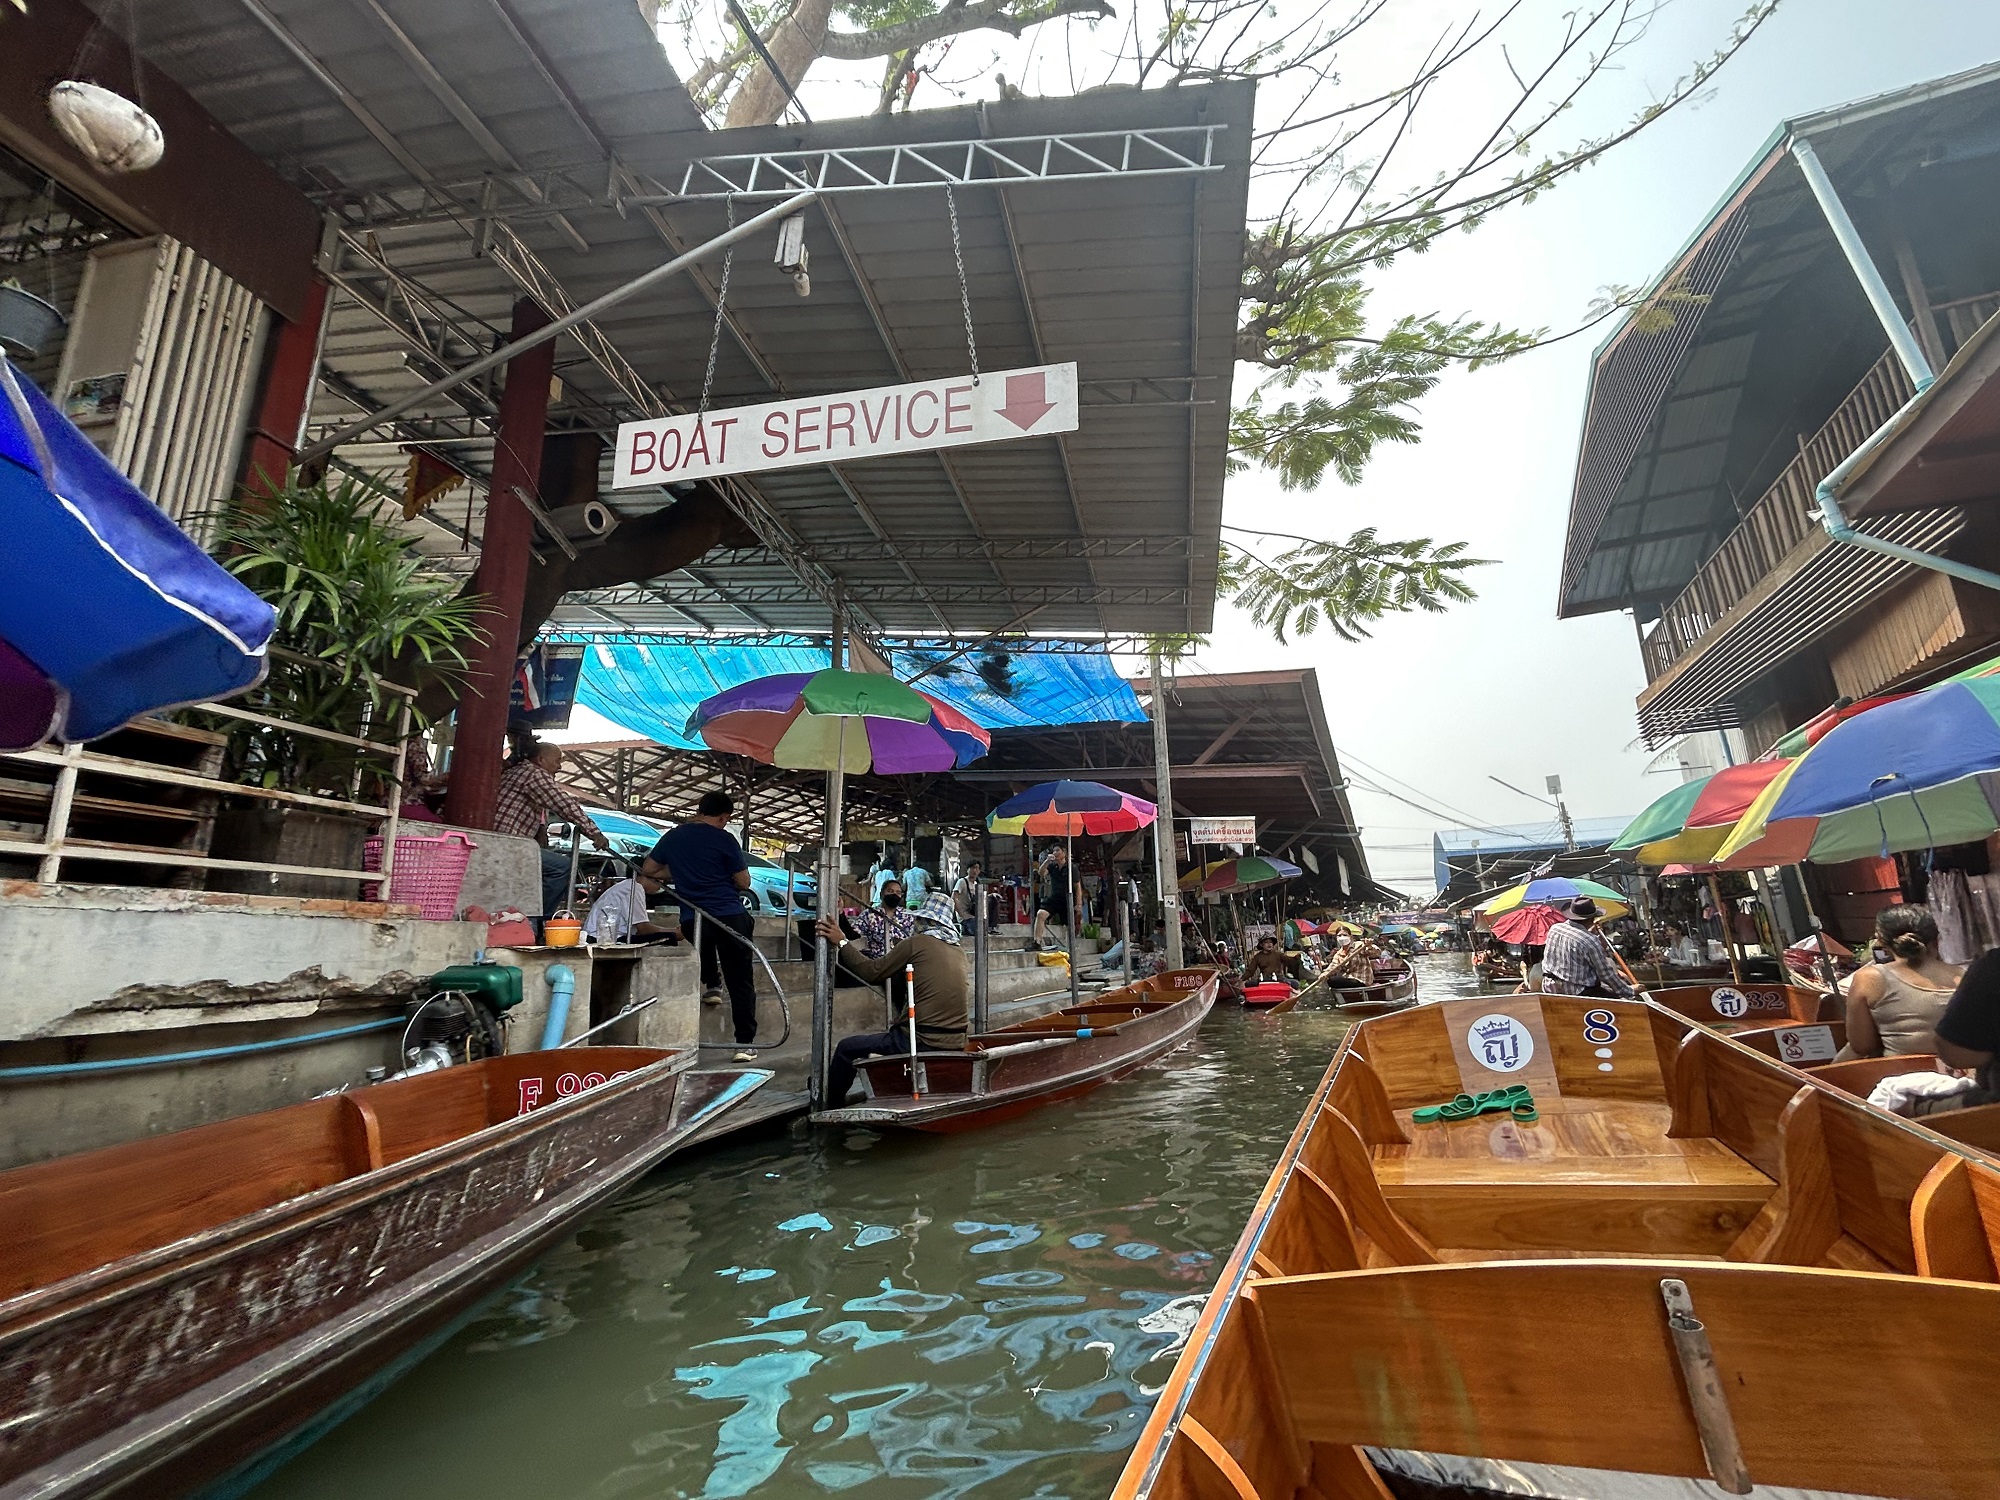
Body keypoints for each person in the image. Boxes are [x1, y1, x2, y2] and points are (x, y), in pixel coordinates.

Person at [815, 893, 970, 1104]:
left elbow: (872, 972)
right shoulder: (959, 952)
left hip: (922, 1040)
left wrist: (842, 941)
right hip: (956, 1039)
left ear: (926, 920)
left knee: (846, 1048)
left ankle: (829, 1104)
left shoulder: (917, 943)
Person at [643, 791, 758, 1062]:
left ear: (700, 810)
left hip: (692, 917)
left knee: (702, 940)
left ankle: (713, 985)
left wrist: (682, 870)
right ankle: (744, 1044)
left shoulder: (673, 837)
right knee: (740, 980)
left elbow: (649, 869)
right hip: (729, 915)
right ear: (724, 817)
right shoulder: (725, 839)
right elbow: (744, 882)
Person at [493, 740, 609, 921]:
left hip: (504, 841)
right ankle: (537, 918)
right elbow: (564, 804)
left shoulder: (518, 772)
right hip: (507, 843)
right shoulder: (534, 774)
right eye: (556, 761)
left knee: (545, 862)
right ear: (541, 760)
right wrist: (594, 832)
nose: (559, 767)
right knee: (562, 867)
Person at [1845, 905, 1963, 1059]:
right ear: (1937, 938)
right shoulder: (1965, 976)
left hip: (1903, 1071)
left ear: (1880, 940)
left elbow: (1862, 1046)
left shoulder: (1870, 978)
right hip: (1964, 1068)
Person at [1540, 897, 1636, 998]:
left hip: (1550, 986)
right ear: (1591, 919)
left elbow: (1576, 939)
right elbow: (1605, 974)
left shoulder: (1555, 928)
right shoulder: (1590, 941)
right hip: (1577, 990)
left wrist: (1589, 932)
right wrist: (1629, 990)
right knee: (1620, 998)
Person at [585, 869, 672, 944]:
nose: (662, 883)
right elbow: (643, 928)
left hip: (602, 935)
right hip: (602, 938)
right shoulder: (633, 888)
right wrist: (674, 931)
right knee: (670, 937)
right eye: (660, 879)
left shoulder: (627, 885)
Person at [853, 878, 916, 959]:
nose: (894, 894)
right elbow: (854, 933)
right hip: (876, 961)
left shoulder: (908, 916)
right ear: (881, 894)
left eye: (898, 892)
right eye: (890, 891)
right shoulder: (869, 914)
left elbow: (915, 939)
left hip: (901, 961)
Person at [1032, 845, 1069, 951]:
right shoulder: (1052, 866)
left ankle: (1069, 945)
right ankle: (1037, 942)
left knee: (1068, 924)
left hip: (1067, 898)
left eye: (1058, 850)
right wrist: (1047, 861)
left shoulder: (1071, 868)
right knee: (1041, 914)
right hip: (1054, 897)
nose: (1055, 852)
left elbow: (1077, 886)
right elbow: (1041, 873)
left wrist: (1079, 904)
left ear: (1064, 853)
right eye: (1054, 851)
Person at [952, 861, 984, 930]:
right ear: (967, 870)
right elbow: (953, 898)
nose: (974, 870)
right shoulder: (962, 881)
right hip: (965, 918)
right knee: (976, 929)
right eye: (972, 868)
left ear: (979, 871)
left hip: (974, 916)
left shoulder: (976, 884)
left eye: (977, 868)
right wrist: (962, 914)